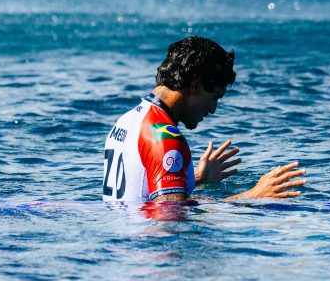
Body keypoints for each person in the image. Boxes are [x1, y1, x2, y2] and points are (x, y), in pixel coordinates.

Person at [101, 35, 306, 205]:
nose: (213, 109)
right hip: (144, 249)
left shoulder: (127, 120)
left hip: (123, 247)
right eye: (215, 97)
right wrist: (253, 195)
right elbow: (170, 217)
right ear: (195, 87)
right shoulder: (165, 138)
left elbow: (138, 193)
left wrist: (195, 180)